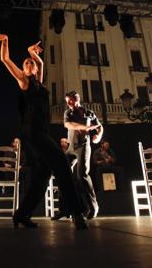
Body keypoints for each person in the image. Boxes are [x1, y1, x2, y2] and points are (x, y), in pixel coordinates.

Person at [0, 32, 87, 229]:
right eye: (25, 64)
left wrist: (31, 53)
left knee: (43, 175)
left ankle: (22, 214)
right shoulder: (24, 82)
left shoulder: (39, 83)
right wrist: (7, 40)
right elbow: (5, 59)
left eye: (30, 63)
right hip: (32, 131)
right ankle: (76, 212)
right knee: (61, 163)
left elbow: (41, 64)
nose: (28, 65)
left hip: (41, 132)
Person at [60, 90, 102, 219]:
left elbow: (99, 126)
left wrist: (98, 136)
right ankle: (64, 210)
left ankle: (93, 207)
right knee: (62, 173)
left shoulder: (89, 113)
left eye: (71, 100)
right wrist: (85, 128)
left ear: (77, 99)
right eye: (67, 102)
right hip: (71, 148)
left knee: (82, 175)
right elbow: (68, 124)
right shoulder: (68, 113)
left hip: (83, 147)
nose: (69, 103)